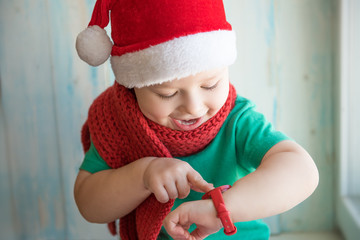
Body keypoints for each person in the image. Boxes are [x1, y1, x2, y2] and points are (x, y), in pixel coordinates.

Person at [74, 0, 319, 239]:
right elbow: (88, 203)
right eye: (166, 93)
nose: (193, 107)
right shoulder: (120, 124)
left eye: (210, 85)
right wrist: (143, 175)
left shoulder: (237, 121)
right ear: (134, 85)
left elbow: (302, 171)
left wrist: (220, 208)